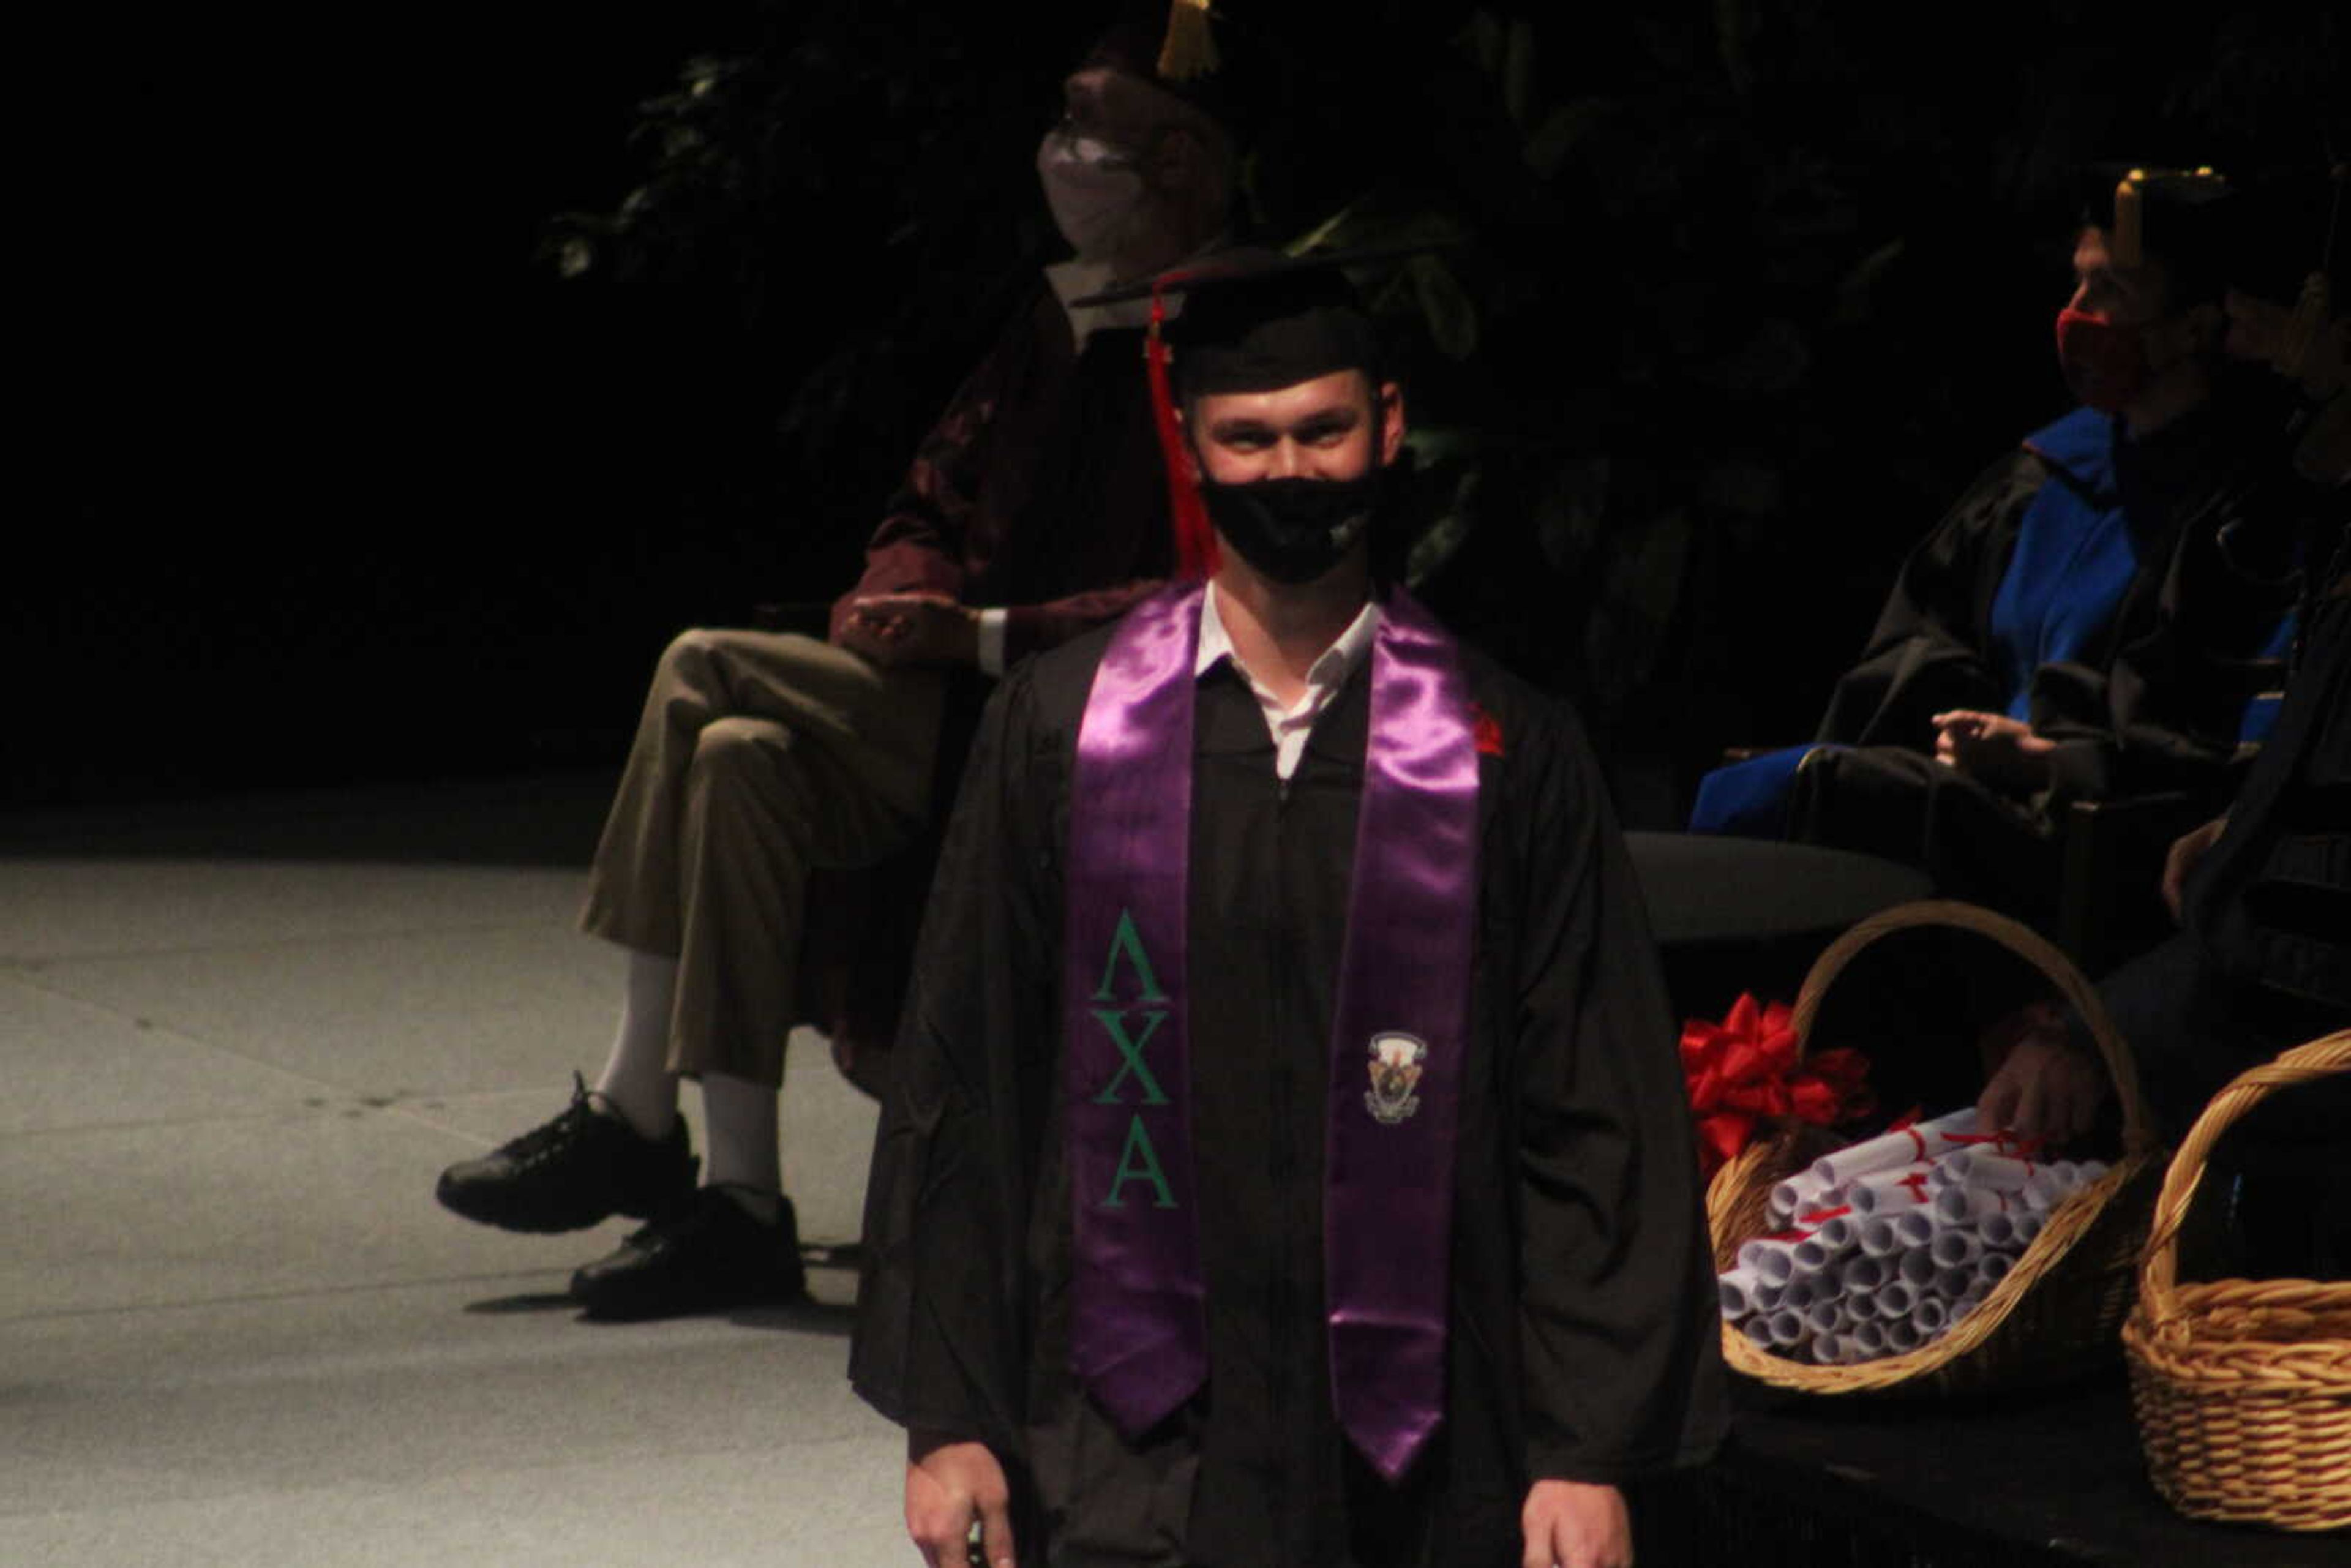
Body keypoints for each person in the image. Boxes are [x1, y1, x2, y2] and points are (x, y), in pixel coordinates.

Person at [850, 253, 1727, 1568]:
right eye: (1245, 439)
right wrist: (953, 1411)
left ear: (1387, 424)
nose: (1289, 471)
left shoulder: (1504, 750)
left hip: (1430, 1440)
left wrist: (1586, 1442)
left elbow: (1592, 1109)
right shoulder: (1062, 732)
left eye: (1322, 430)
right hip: (1127, 1433)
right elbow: (970, 1072)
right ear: (1189, 448)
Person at [432, 23, 1239, 1321]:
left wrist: (979, 632)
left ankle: (636, 1104)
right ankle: (743, 1201)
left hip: (1070, 713)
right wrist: (901, 584)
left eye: (1089, 125)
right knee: (739, 763)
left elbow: (1209, 592)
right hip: (942, 697)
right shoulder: (1057, 314)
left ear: (1182, 158)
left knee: (699, 665)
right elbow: (929, 489)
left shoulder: (1233, 342)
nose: (1059, 150)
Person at [1690, 167, 2302, 929]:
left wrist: (2052, 758)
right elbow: (1923, 639)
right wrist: (1957, 721)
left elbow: (2220, 744)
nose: (2078, 315)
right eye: (2077, 285)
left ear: (2197, 325)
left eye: (2110, 291)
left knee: (1816, 798)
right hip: (1971, 797)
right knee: (1773, 788)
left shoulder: (2247, 511)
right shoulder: (2042, 475)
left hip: (2092, 842)